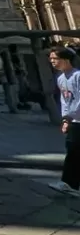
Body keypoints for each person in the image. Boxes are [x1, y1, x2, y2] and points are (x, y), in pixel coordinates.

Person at [50, 47, 80, 197]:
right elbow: (65, 100)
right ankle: (69, 182)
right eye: (51, 59)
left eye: (55, 58)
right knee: (73, 150)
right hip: (73, 120)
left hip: (77, 119)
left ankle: (70, 183)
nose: (52, 61)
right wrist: (65, 118)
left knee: (74, 151)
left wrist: (68, 117)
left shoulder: (77, 76)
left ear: (66, 59)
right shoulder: (61, 78)